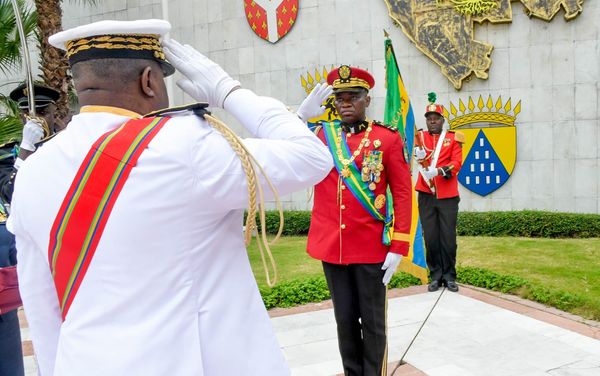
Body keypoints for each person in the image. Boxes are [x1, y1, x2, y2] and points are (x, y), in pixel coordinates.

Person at [8, 19, 332, 376]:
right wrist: (228, 91)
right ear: (148, 81)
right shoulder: (185, 147)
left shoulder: (34, 171)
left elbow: (41, 307)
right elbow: (311, 158)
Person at [299, 65, 413, 376]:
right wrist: (298, 118)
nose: (346, 103)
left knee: (373, 321)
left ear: (367, 100)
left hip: (371, 248)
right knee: (344, 320)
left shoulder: (386, 139)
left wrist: (398, 246)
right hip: (332, 248)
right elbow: (283, 148)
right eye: (339, 98)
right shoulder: (320, 136)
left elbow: (403, 194)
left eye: (354, 97)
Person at [0, 82, 61, 376]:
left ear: (54, 112)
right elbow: (10, 193)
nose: (34, 118)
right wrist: (25, 150)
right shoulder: (9, 154)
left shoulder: (69, 146)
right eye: (26, 112)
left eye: (41, 111)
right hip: (32, 251)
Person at [414, 94, 464, 293]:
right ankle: (435, 276)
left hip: (448, 195)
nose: (432, 121)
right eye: (429, 118)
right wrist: (416, 154)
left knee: (448, 238)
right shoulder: (420, 137)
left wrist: (440, 171)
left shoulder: (452, 138)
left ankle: (450, 276)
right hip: (426, 193)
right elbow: (409, 156)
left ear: (443, 120)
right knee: (431, 237)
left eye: (436, 118)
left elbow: (457, 163)